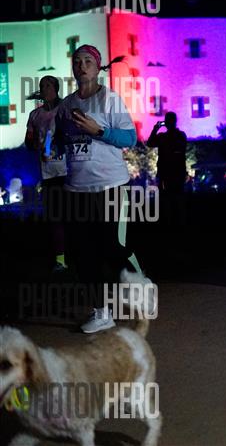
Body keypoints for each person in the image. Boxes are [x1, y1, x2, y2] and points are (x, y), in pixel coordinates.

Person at [54, 44, 142, 333]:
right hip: (76, 189)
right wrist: (52, 145)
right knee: (82, 253)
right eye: (77, 61)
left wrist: (99, 131)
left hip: (110, 185)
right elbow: (61, 141)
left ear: (97, 66)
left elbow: (129, 138)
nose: (81, 66)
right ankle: (101, 311)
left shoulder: (109, 99)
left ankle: (140, 285)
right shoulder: (66, 105)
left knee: (112, 247)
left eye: (87, 61)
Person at [25, 75, 67, 271]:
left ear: (56, 88)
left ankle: (81, 255)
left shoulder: (65, 109)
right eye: (42, 86)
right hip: (48, 174)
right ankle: (60, 260)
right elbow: (28, 142)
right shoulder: (35, 115)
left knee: (75, 216)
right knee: (55, 218)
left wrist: (58, 144)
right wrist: (37, 145)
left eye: (49, 85)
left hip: (69, 172)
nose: (45, 88)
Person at [147, 111, 187, 239]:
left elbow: (149, 143)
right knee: (178, 199)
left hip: (166, 173)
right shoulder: (181, 135)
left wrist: (156, 129)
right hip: (178, 172)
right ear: (175, 121)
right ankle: (179, 226)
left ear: (166, 122)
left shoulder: (162, 137)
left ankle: (169, 226)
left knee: (167, 200)